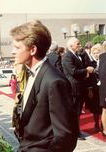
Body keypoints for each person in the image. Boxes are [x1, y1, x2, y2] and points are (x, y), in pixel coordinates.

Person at [10, 20, 78, 152]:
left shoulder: (54, 81)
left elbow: (66, 136)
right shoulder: (32, 73)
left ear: (33, 50)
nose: (13, 52)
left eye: (17, 48)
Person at [62, 37, 94, 140]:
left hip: (79, 88)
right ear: (71, 45)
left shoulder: (76, 55)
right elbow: (73, 71)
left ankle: (75, 131)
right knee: (75, 112)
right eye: (78, 44)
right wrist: (86, 71)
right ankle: (75, 133)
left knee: (78, 111)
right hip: (73, 88)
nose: (80, 45)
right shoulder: (68, 56)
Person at [99, 50, 106, 137]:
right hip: (105, 89)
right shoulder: (104, 56)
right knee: (105, 109)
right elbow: (103, 75)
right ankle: (105, 130)